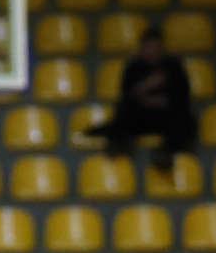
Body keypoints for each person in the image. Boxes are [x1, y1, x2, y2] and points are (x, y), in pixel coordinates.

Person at [84, 24, 196, 167]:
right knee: (123, 112)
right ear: (142, 48)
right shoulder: (134, 67)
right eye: (149, 48)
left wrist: (155, 101)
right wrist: (147, 85)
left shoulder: (173, 67)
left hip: (166, 118)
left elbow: (180, 98)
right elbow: (127, 96)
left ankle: (166, 152)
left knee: (186, 121)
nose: (152, 52)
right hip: (141, 117)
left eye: (156, 48)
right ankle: (117, 144)